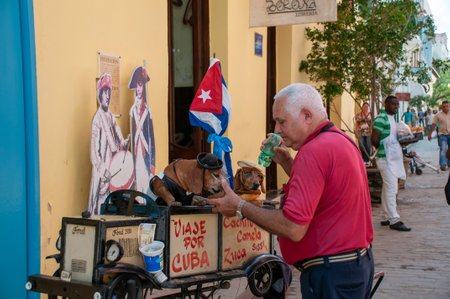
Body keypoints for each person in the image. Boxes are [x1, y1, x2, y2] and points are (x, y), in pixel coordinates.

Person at [208, 83, 374, 298]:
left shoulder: (313, 151)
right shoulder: (341, 140)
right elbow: (323, 189)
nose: (277, 129)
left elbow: (293, 227)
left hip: (331, 272)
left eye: (281, 121)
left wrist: (240, 206)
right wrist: (287, 162)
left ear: (306, 116)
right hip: (354, 266)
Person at [88, 73, 129, 214]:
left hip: (112, 170)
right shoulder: (97, 119)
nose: (107, 96)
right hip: (102, 172)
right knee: (99, 206)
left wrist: (127, 142)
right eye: (104, 92)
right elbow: (94, 150)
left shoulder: (111, 116)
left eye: (109, 92)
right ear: (99, 94)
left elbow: (119, 138)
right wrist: (102, 169)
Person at [371, 95, 411, 231]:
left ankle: (384, 216)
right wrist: (385, 147)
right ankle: (394, 219)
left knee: (387, 188)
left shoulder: (392, 119)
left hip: (392, 158)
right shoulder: (381, 118)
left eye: (397, 104)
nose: (396, 106)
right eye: (393, 104)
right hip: (385, 159)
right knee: (392, 188)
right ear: (386, 104)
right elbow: (374, 139)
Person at [129, 66, 156, 193]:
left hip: (145, 156)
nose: (139, 89)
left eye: (141, 85)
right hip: (136, 155)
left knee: (146, 190)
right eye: (138, 86)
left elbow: (152, 142)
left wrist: (152, 165)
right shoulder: (132, 111)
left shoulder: (148, 112)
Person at [428, 101, 450, 171]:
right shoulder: (438, 115)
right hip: (442, 135)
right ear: (441, 107)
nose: (445, 108)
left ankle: (449, 163)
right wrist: (429, 134)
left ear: (449, 106)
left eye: (446, 106)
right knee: (443, 149)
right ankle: (443, 164)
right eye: (444, 106)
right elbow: (433, 125)